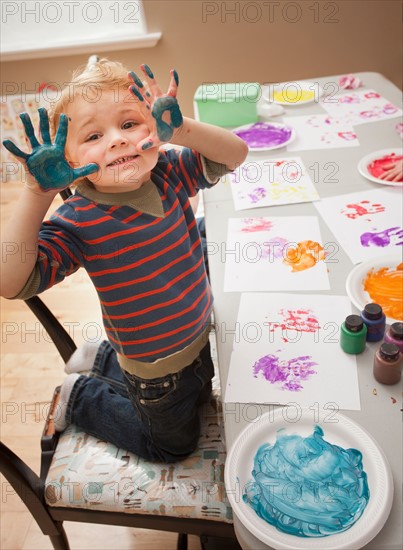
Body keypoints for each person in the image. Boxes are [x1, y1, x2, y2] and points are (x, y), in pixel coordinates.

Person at [1, 59, 248, 462]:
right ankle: (81, 397)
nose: (116, 140)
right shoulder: (78, 220)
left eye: (130, 124)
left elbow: (236, 153)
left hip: (199, 337)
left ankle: (98, 359)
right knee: (172, 445)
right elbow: (9, 281)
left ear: (153, 127)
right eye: (94, 135)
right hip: (153, 372)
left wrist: (182, 128)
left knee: (201, 396)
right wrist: (37, 193)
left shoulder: (169, 172)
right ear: (69, 161)